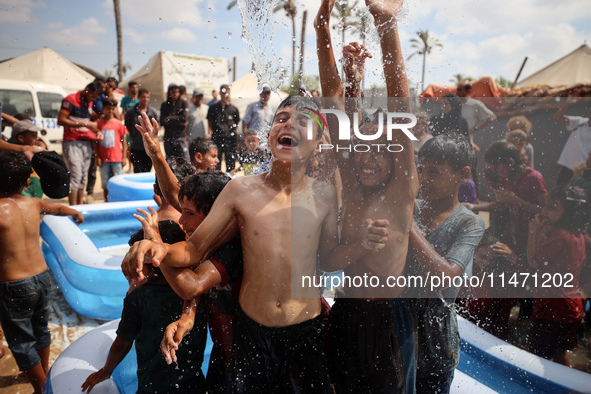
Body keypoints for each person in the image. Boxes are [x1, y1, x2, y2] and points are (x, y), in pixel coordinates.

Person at [123, 96, 386, 392]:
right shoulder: (241, 190)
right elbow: (194, 249)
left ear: (317, 143)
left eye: (303, 121)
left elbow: (326, 260)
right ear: (270, 132)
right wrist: (160, 249)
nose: (289, 124)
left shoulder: (325, 195)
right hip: (251, 332)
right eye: (282, 117)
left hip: (305, 331)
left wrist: (362, 245)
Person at [316, 0, 419, 392]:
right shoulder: (351, 180)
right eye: (363, 148)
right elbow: (332, 100)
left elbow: (400, 101)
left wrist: (386, 25)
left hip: (387, 318)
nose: (368, 158)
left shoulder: (401, 189)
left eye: (381, 149)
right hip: (346, 311)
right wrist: (322, 28)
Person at [81, 220, 207, 394]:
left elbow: (123, 343)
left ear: (148, 262)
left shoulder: (138, 298)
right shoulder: (199, 290)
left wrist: (106, 371)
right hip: (193, 381)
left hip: (153, 386)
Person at [0, 150, 83, 394]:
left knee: (21, 341)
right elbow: (56, 209)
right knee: (40, 330)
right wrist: (74, 212)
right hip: (41, 278)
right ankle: (43, 372)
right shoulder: (34, 203)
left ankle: (43, 387)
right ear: (27, 182)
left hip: (13, 286)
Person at [407, 134, 485, 393]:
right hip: (397, 333)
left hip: (435, 346)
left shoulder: (468, 223)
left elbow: (445, 277)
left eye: (434, 172)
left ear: (463, 174)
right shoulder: (411, 207)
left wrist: (408, 226)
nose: (423, 177)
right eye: (420, 169)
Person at [157, 171, 243, 393]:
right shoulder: (208, 244)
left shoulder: (231, 249)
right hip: (224, 352)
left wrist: (157, 250)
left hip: (244, 356)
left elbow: (191, 285)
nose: (181, 220)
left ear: (216, 217)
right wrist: (187, 316)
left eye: (189, 213)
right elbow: (195, 287)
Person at [527, 185, 588, 366]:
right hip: (571, 309)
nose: (545, 211)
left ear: (568, 214)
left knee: (537, 358)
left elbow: (533, 261)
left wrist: (533, 230)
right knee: (560, 353)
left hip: (554, 310)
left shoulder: (560, 236)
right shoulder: (578, 237)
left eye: (552, 208)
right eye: (545, 205)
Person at [57, 80, 103, 205]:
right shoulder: (70, 100)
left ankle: (79, 207)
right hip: (72, 142)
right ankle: (74, 209)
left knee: (83, 176)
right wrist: (84, 124)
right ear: (87, 90)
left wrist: (97, 131)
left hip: (86, 142)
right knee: (75, 175)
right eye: (93, 96)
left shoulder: (89, 103)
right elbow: (60, 120)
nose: (93, 99)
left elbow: (89, 122)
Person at [554, 94, 591, 186]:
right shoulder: (579, 122)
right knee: (559, 194)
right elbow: (557, 117)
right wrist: (567, 103)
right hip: (568, 166)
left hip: (585, 170)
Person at [96, 98, 128, 202]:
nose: (110, 111)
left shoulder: (118, 124)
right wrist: (98, 157)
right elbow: (95, 143)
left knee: (119, 182)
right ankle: (107, 201)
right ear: (103, 108)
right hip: (104, 159)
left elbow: (124, 142)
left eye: (112, 109)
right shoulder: (98, 124)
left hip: (117, 158)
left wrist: (124, 157)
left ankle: (120, 201)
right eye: (108, 108)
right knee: (105, 183)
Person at [206, 84, 240, 172]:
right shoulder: (213, 108)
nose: (225, 96)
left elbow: (236, 123)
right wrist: (211, 133)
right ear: (220, 93)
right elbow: (210, 122)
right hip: (217, 139)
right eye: (223, 93)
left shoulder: (234, 109)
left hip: (230, 140)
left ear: (229, 94)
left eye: (227, 93)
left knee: (230, 163)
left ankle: (230, 184)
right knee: (216, 163)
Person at [126, 88, 158, 173]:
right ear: (138, 97)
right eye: (143, 97)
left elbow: (156, 128)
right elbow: (128, 127)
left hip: (149, 147)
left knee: (148, 171)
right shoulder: (131, 112)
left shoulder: (153, 112)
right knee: (137, 171)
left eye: (147, 97)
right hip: (136, 147)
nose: (145, 99)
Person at [160, 84, 189, 161]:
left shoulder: (184, 103)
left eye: (177, 92)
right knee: (170, 162)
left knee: (185, 162)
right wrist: (178, 120)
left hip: (181, 137)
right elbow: (162, 121)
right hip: (169, 138)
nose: (175, 94)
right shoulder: (164, 105)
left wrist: (169, 118)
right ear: (169, 93)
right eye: (173, 92)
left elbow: (184, 119)